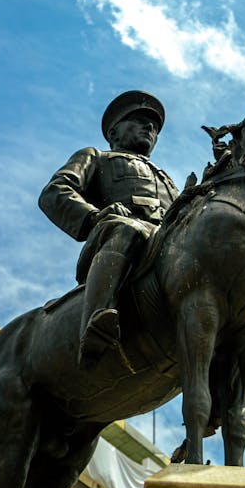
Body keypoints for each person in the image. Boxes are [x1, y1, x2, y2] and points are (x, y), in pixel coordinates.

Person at [39, 90, 179, 362]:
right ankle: (96, 320)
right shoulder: (96, 157)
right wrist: (94, 216)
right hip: (115, 239)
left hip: (163, 242)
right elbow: (55, 191)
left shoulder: (167, 179)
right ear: (114, 132)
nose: (149, 127)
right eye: (138, 120)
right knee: (126, 228)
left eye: (153, 126)